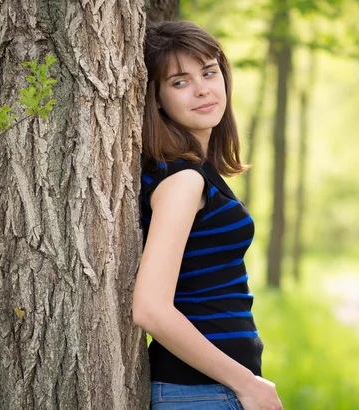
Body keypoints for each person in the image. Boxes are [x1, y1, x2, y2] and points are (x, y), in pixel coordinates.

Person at [132, 21, 283, 410]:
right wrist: (247, 384)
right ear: (158, 99)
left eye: (209, 72)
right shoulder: (183, 181)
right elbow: (150, 308)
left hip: (208, 391)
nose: (202, 89)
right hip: (200, 393)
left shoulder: (195, 171)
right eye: (179, 81)